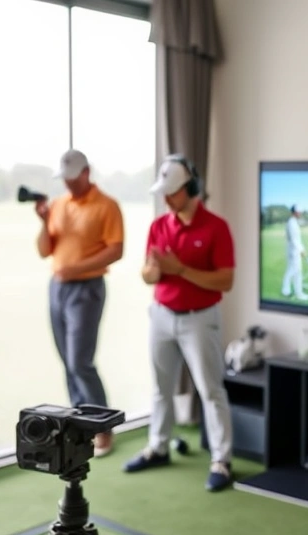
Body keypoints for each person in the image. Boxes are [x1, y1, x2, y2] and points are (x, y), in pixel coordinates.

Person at [123, 154, 237, 492]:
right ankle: (158, 447)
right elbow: (147, 274)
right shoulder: (159, 226)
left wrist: (181, 269)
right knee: (161, 388)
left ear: (192, 188)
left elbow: (225, 281)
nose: (165, 198)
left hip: (200, 320)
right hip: (161, 315)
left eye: (171, 192)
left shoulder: (216, 227)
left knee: (210, 390)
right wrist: (154, 272)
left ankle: (221, 460)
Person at [34, 149, 124, 457]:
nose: (68, 185)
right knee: (66, 361)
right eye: (65, 180)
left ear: (86, 173)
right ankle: (79, 422)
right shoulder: (58, 205)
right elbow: (45, 250)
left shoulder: (107, 206)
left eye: (73, 178)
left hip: (87, 289)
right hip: (58, 289)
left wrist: (78, 268)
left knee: (80, 362)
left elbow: (116, 250)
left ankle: (102, 427)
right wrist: (44, 222)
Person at [281, 204, 308, 301]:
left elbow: (289, 237)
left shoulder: (292, 222)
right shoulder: (292, 223)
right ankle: (299, 293)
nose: (300, 213)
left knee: (291, 270)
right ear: (295, 212)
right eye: (299, 211)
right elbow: (295, 240)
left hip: (292, 250)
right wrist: (302, 250)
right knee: (297, 272)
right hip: (294, 251)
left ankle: (286, 290)